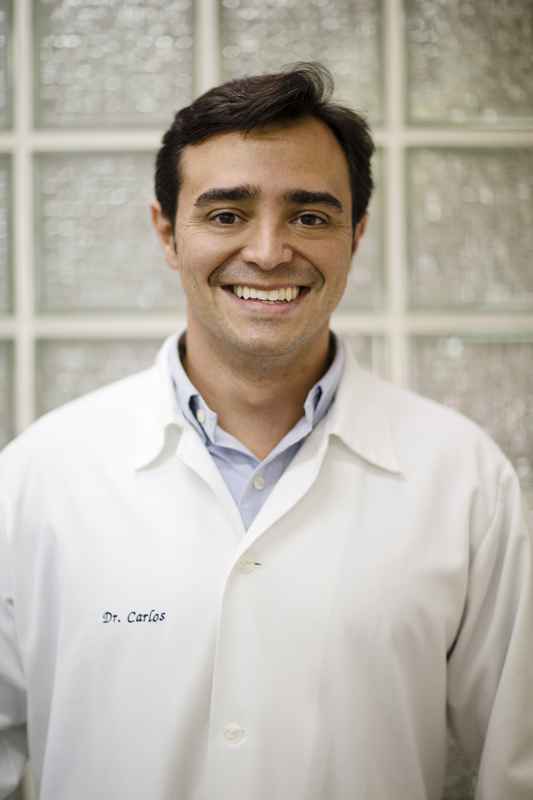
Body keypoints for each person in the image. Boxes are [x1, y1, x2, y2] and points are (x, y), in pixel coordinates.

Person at [0, 63, 531, 800]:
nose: (269, 251)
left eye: (310, 217)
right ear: (166, 232)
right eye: (227, 215)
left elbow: (517, 766)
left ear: (356, 235)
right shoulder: (39, 477)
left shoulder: (463, 479)